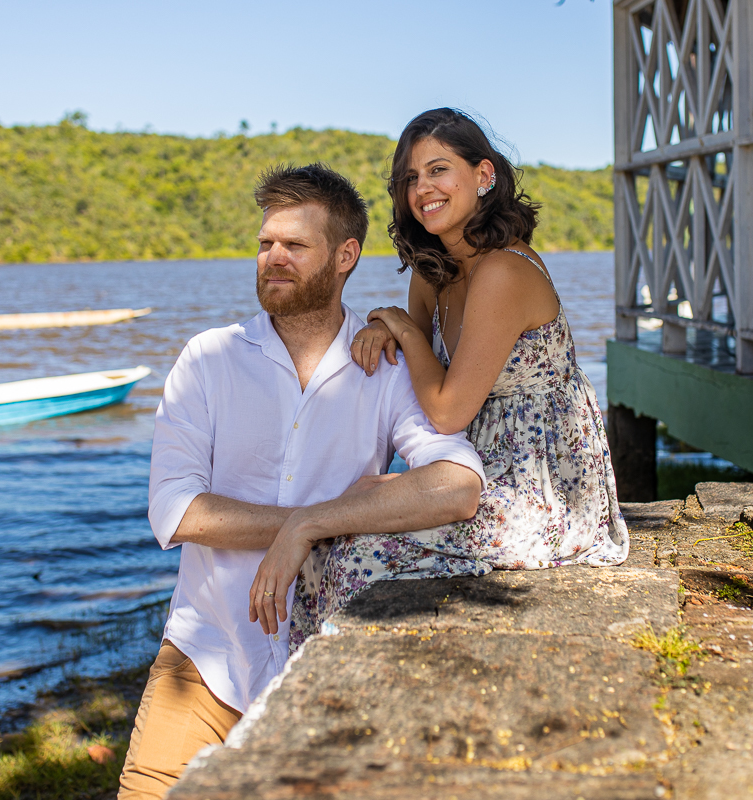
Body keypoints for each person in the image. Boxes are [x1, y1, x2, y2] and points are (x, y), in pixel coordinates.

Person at [119, 163, 486, 800]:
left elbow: (458, 485)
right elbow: (174, 509)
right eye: (265, 244)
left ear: (346, 255)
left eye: (295, 246)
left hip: (327, 663)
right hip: (205, 657)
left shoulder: (385, 369)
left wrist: (313, 525)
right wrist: (298, 526)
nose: (274, 258)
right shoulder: (209, 358)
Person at [288, 108, 629, 649]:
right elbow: (413, 378)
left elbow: (446, 409)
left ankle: (362, 690)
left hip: (541, 484)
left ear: (483, 176)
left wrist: (406, 331)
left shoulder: (503, 271)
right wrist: (387, 331)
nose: (423, 188)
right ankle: (301, 704)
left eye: (439, 170)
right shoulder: (433, 274)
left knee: (355, 555)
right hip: (468, 466)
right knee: (326, 540)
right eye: (410, 178)